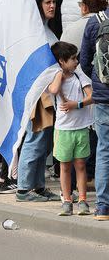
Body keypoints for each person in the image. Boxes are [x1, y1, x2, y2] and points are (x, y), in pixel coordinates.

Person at [47, 41, 93, 216]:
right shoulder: (56, 77)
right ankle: (67, 200)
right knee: (64, 166)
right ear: (61, 61)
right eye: (73, 59)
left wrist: (77, 104)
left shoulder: (80, 77)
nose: (76, 62)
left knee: (80, 165)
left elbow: (91, 97)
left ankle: (82, 200)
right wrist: (59, 74)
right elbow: (54, 89)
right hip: (63, 129)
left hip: (81, 127)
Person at [79, 0, 109, 221]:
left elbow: (84, 60)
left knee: (104, 150)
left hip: (103, 96)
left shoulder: (95, 22)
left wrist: (99, 80)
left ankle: (102, 207)